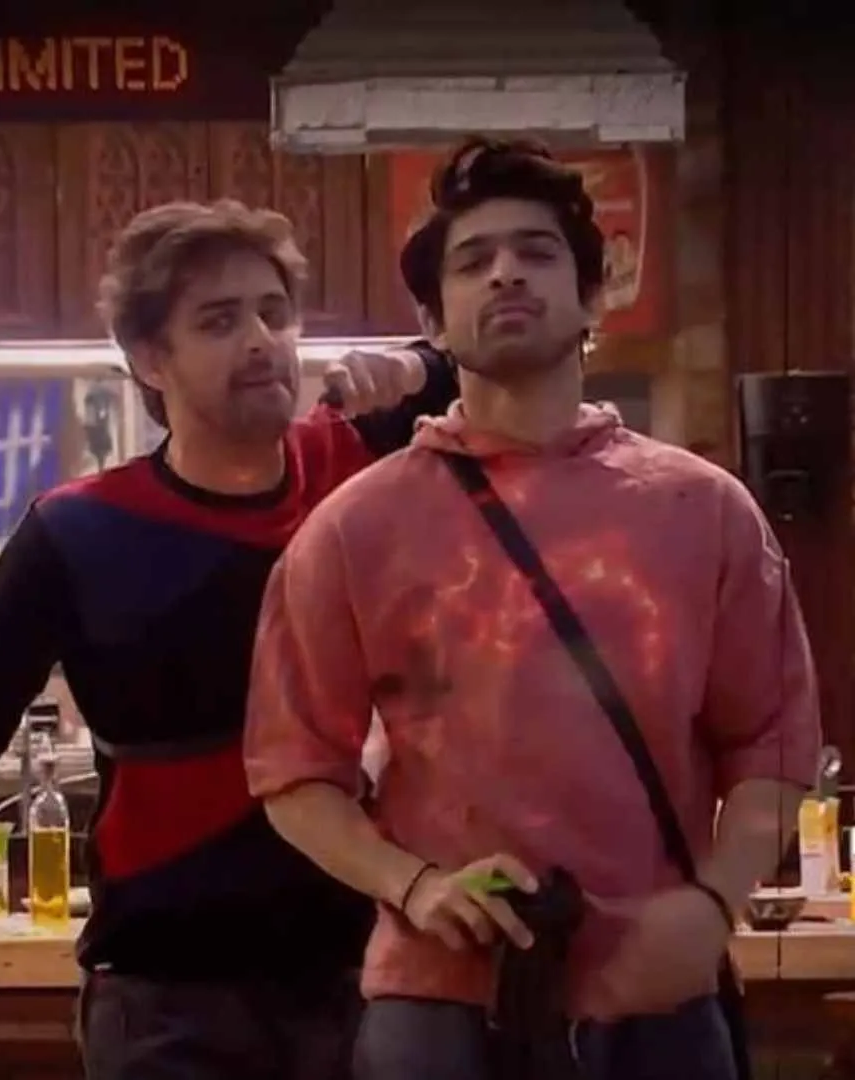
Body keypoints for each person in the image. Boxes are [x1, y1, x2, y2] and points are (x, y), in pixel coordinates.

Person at [0, 198, 459, 1080]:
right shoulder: (81, 531)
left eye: (273, 313)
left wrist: (415, 363)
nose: (261, 341)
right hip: (168, 999)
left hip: (364, 972)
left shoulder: (356, 466)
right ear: (148, 359)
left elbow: (514, 359)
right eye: (219, 321)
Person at [244, 140, 821, 1080]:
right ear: (433, 320)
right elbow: (292, 769)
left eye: (537, 252)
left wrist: (714, 904)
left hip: (657, 979)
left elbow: (774, 741)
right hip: (438, 989)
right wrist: (413, 886)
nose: (506, 272)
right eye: (473, 260)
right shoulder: (355, 528)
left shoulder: (703, 509)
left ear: (592, 299)